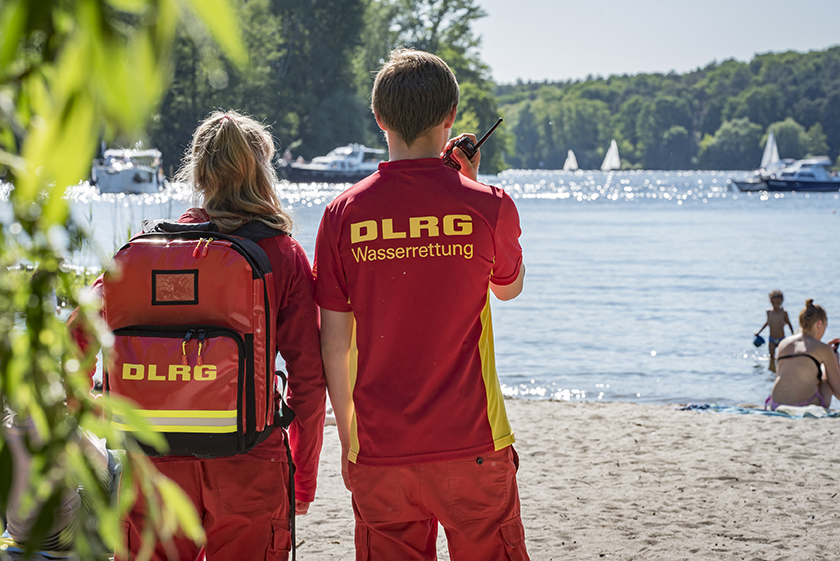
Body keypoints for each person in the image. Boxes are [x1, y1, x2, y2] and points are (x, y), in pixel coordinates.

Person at [77, 111, 326, 560]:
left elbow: (76, 334)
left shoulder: (150, 252)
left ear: (197, 173)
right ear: (262, 172)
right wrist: (303, 477)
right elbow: (308, 379)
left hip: (153, 465)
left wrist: (89, 410)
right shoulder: (284, 254)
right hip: (250, 459)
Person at [314, 49, 529, 560]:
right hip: (473, 442)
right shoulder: (488, 204)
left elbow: (334, 340)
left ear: (379, 118)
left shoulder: (343, 214)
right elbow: (509, 287)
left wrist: (349, 440)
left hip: (381, 449)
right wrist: (469, 183)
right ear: (451, 118)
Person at [765, 299, 840, 411]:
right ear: (819, 324)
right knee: (825, 376)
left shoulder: (784, 343)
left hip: (776, 404)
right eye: (825, 326)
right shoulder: (823, 349)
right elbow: (838, 391)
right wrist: (834, 359)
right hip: (806, 405)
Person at [755, 290, 794, 372]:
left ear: (782, 302)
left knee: (781, 358)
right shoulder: (769, 312)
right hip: (771, 339)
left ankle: (781, 372)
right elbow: (767, 323)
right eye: (773, 303)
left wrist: (793, 335)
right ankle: (772, 372)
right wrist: (759, 332)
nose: (776, 305)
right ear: (770, 301)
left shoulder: (783, 313)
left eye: (778, 303)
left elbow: (789, 324)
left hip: (781, 339)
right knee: (771, 358)